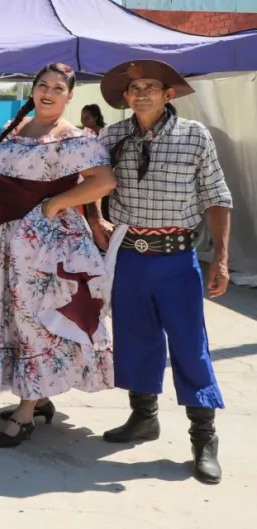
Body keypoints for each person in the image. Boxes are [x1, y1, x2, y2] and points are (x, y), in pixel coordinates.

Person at [88, 59, 232, 485]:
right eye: (134, 88)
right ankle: (143, 417)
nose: (141, 93)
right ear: (125, 97)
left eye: (150, 86)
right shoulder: (113, 135)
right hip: (129, 254)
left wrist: (221, 258)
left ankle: (203, 438)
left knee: (190, 344)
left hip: (176, 258)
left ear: (168, 94)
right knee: (135, 338)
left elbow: (217, 196)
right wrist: (95, 218)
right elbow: (88, 177)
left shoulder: (194, 136)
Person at [0, 64, 116, 448]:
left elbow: (102, 181)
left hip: (47, 244)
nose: (48, 92)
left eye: (58, 88)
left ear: (69, 96)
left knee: (38, 321)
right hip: (4, 240)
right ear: (33, 91)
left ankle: (27, 410)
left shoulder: (75, 139)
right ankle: (38, 394)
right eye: (42, 86)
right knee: (13, 319)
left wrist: (57, 205)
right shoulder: (14, 133)